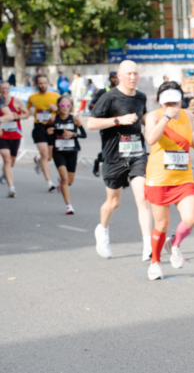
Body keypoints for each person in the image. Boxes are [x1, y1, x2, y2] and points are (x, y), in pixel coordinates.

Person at [88, 60, 154, 260]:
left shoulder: (141, 97)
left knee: (143, 199)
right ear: (119, 75)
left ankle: (147, 245)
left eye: (135, 73)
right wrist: (119, 120)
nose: (133, 77)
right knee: (113, 202)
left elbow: (143, 118)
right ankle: (103, 230)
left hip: (137, 155)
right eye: (129, 74)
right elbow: (91, 123)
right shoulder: (108, 97)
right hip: (114, 156)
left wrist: (154, 121)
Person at [143, 82, 194, 280]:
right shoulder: (154, 116)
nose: (171, 105)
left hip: (182, 177)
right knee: (161, 224)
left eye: (175, 101)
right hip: (159, 178)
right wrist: (165, 118)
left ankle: (174, 243)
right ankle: (155, 262)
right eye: (166, 102)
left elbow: (188, 135)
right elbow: (151, 139)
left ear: (182, 99)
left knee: (191, 219)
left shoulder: (188, 115)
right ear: (159, 102)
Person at [47, 95, 86, 214]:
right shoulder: (53, 119)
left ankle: (62, 185)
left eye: (68, 105)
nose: (65, 107)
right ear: (58, 106)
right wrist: (48, 132)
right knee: (64, 178)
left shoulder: (75, 119)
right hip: (58, 152)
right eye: (62, 105)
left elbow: (84, 135)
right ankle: (69, 206)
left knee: (69, 182)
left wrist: (73, 134)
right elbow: (47, 133)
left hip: (72, 152)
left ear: (71, 107)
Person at [27, 74, 60, 192]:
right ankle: (49, 182)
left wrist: (56, 109)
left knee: (49, 157)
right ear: (36, 84)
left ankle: (37, 160)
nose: (43, 85)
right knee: (45, 154)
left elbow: (66, 110)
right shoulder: (32, 97)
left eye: (45, 83)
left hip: (52, 128)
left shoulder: (56, 96)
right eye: (40, 83)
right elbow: (26, 111)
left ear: (48, 83)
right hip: (39, 128)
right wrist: (29, 112)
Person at [1, 82, 29, 197]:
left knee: (11, 162)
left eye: (6, 88)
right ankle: (11, 188)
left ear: (9, 89)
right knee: (7, 159)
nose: (4, 91)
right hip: (2, 135)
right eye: (2, 89)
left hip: (15, 135)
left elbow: (26, 114)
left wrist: (19, 116)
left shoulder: (16, 101)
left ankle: (5, 173)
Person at [91, 72, 120, 178]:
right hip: (106, 125)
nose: (115, 79)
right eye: (113, 77)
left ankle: (121, 174)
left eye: (117, 77)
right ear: (109, 79)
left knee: (122, 149)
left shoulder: (123, 91)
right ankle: (98, 161)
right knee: (107, 150)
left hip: (121, 125)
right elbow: (91, 105)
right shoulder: (103, 92)